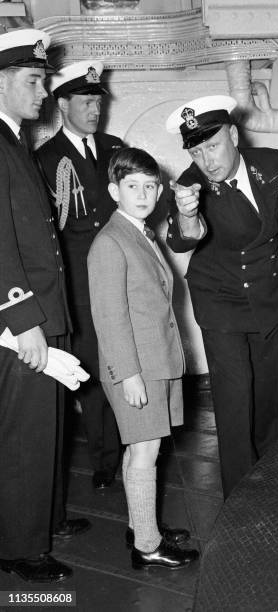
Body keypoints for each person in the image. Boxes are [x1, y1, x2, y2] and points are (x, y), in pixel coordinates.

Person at [165, 95, 278, 498]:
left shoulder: (270, 166)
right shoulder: (189, 186)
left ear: (233, 135)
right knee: (236, 401)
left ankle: (273, 477)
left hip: (268, 296)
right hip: (221, 303)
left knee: (271, 395)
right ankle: (240, 497)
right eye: (196, 151)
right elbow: (182, 240)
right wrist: (186, 215)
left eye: (212, 145)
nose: (207, 160)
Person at [88, 147, 198, 569]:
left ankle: (143, 526)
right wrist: (128, 375)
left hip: (156, 361)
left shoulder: (140, 232)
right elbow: (109, 318)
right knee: (144, 452)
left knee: (147, 450)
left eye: (150, 186)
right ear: (115, 190)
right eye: (132, 186)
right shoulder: (110, 242)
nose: (143, 194)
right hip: (138, 367)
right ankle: (148, 547)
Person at [0, 28, 73, 583]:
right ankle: (20, 546)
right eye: (33, 80)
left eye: (44, 80)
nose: (43, 91)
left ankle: (40, 521)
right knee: (23, 434)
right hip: (23, 318)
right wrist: (21, 318)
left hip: (42, 313)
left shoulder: (13, 142)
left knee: (43, 427)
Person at [36, 60, 122, 493]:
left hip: (122, 278)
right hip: (81, 286)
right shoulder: (45, 159)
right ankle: (106, 459)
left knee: (129, 363)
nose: (94, 109)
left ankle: (135, 448)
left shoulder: (115, 149)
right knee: (91, 372)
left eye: (97, 101)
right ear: (62, 104)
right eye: (86, 101)